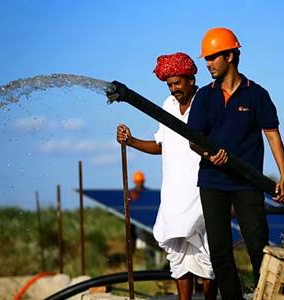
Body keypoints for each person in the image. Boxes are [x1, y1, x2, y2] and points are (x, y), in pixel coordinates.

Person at [187, 28, 284, 300]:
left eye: (212, 57)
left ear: (230, 56)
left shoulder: (257, 94)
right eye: (206, 59)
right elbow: (193, 140)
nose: (207, 64)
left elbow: (273, 137)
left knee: (258, 246)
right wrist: (208, 155)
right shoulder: (204, 97)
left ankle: (263, 296)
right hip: (212, 181)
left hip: (248, 182)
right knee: (220, 250)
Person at [116, 52, 217, 300]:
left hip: (201, 190)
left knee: (208, 257)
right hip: (173, 193)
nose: (174, 89)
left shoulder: (206, 102)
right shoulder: (168, 105)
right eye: (170, 85)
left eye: (177, 83)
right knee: (178, 255)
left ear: (191, 80)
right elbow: (162, 145)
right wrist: (130, 141)